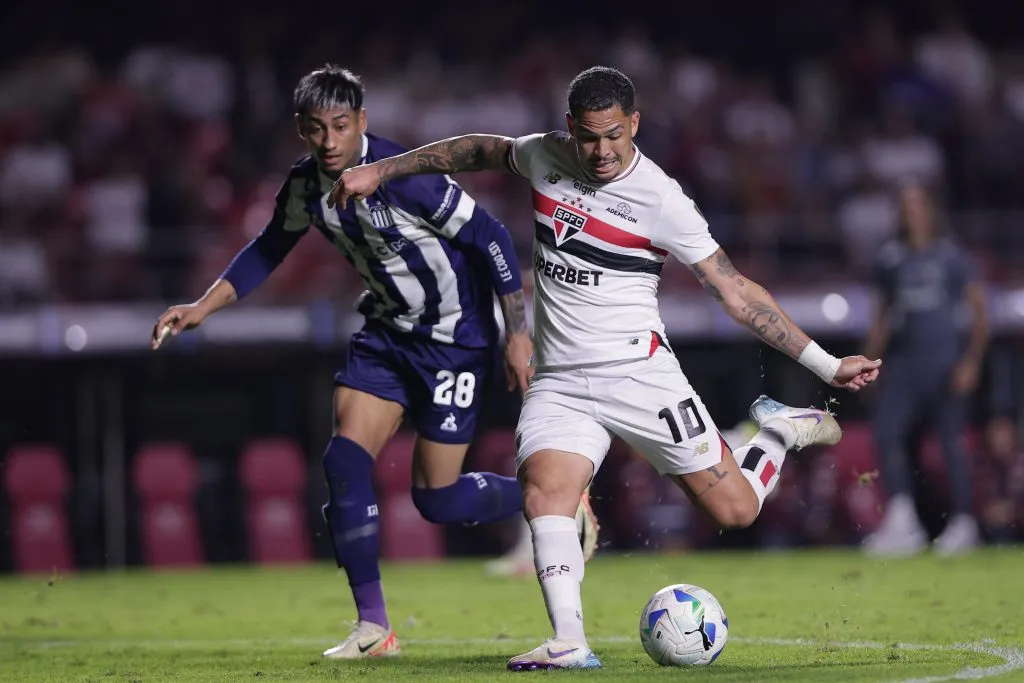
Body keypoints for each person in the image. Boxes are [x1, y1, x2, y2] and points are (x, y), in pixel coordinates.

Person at [329, 65, 881, 670]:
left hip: (639, 375)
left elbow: (737, 293)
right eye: (590, 137)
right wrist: (382, 168)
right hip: (561, 382)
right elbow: (476, 149)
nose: (602, 150)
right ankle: (569, 640)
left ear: (635, 123)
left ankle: (774, 431)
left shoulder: (662, 198)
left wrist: (825, 365)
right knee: (545, 493)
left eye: (615, 134)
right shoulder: (544, 156)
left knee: (735, 511)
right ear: (571, 129)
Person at [150, 64, 598, 660]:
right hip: (387, 335)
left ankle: (549, 497)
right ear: (301, 130)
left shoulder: (405, 178)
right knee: (344, 458)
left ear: (361, 121)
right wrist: (204, 305)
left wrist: (516, 331)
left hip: (453, 342)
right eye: (316, 129)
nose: (330, 141)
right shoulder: (305, 187)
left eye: (340, 125)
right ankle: (373, 627)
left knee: (436, 500)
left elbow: (489, 235)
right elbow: (268, 247)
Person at [860, 181, 989, 557]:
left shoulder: (952, 257)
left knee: (951, 445)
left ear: (931, 211)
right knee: (886, 433)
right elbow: (881, 318)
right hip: (902, 365)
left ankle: (964, 523)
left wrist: (971, 361)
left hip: (945, 364)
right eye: (905, 206)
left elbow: (980, 313)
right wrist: (867, 361)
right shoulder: (890, 259)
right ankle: (903, 521)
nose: (911, 212)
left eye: (918, 205)